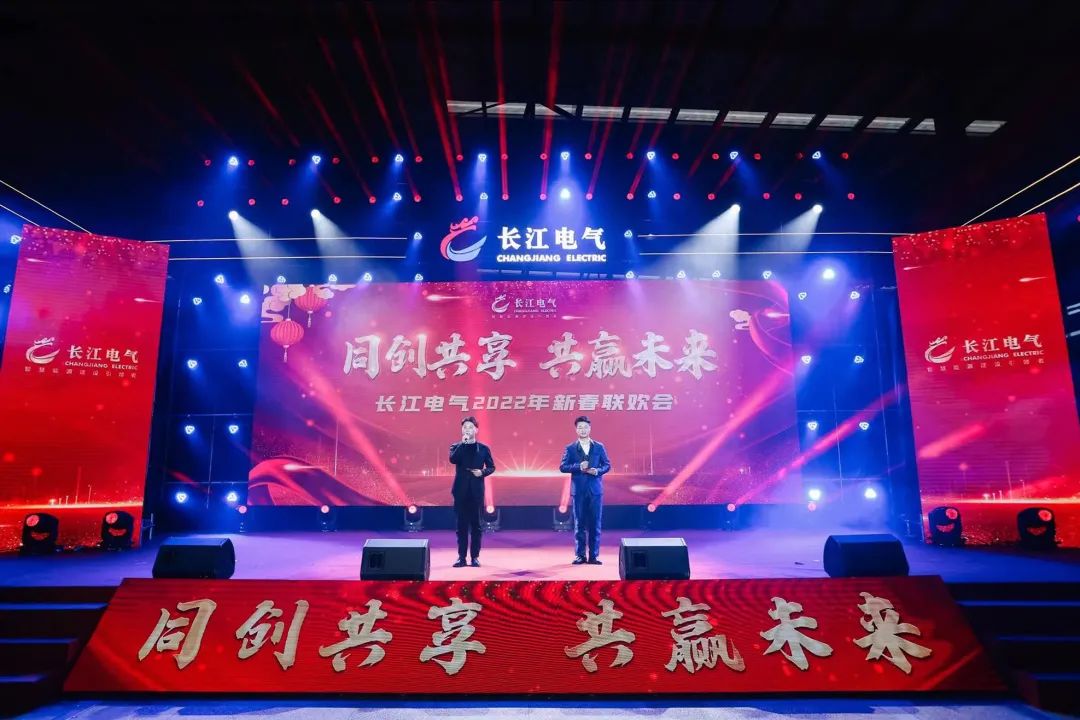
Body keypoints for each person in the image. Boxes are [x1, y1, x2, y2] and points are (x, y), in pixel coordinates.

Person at [559, 415, 610, 565]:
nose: (583, 430)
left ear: (590, 428)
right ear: (576, 430)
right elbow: (562, 467)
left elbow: (607, 465)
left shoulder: (599, 446)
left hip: (595, 491)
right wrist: (578, 466)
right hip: (579, 491)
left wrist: (598, 471)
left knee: (595, 524)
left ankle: (594, 556)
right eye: (580, 427)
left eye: (585, 427)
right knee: (579, 524)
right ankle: (580, 555)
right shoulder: (570, 448)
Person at [448, 416, 495, 567]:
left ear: (476, 430)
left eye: (470, 427)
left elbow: (491, 467)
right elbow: (453, 460)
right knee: (461, 526)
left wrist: (482, 472)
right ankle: (461, 557)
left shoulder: (483, 448)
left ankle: (475, 557)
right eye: (465, 427)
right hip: (460, 491)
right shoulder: (456, 446)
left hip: (476, 491)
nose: (467, 429)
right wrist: (463, 444)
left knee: (476, 526)